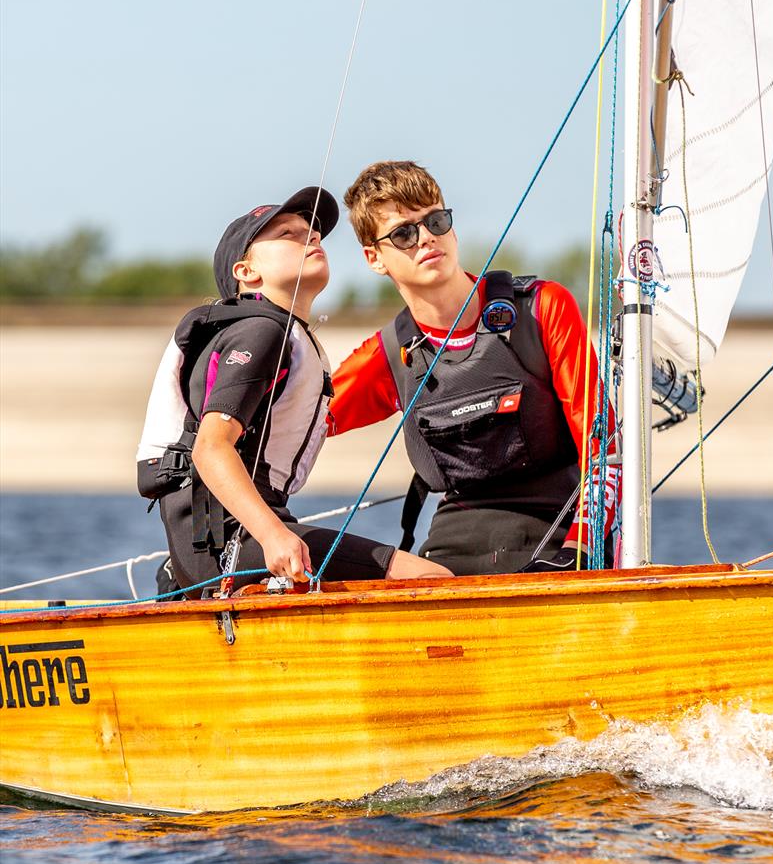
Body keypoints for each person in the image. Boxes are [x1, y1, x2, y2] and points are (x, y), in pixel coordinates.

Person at [137, 186, 451, 596]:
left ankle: (181, 582)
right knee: (431, 581)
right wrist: (273, 537)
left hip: (229, 537)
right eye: (288, 234)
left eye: (314, 233)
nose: (312, 238)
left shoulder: (280, 333)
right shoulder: (262, 331)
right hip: (226, 543)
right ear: (246, 273)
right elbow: (210, 448)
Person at [328, 162, 621, 575]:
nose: (427, 238)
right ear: (374, 258)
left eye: (436, 220)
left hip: (558, 537)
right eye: (404, 233)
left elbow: (604, 452)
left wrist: (578, 550)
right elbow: (293, 425)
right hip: (453, 551)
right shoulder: (387, 356)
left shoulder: (542, 309)